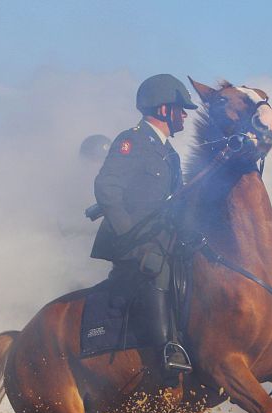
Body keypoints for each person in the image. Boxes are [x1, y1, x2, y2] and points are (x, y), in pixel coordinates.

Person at [90, 73, 198, 376]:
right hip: (134, 244)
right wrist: (131, 237)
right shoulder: (132, 141)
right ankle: (166, 351)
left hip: (165, 239)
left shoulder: (170, 155)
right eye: (181, 109)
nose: (186, 116)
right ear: (164, 110)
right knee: (159, 271)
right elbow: (107, 189)